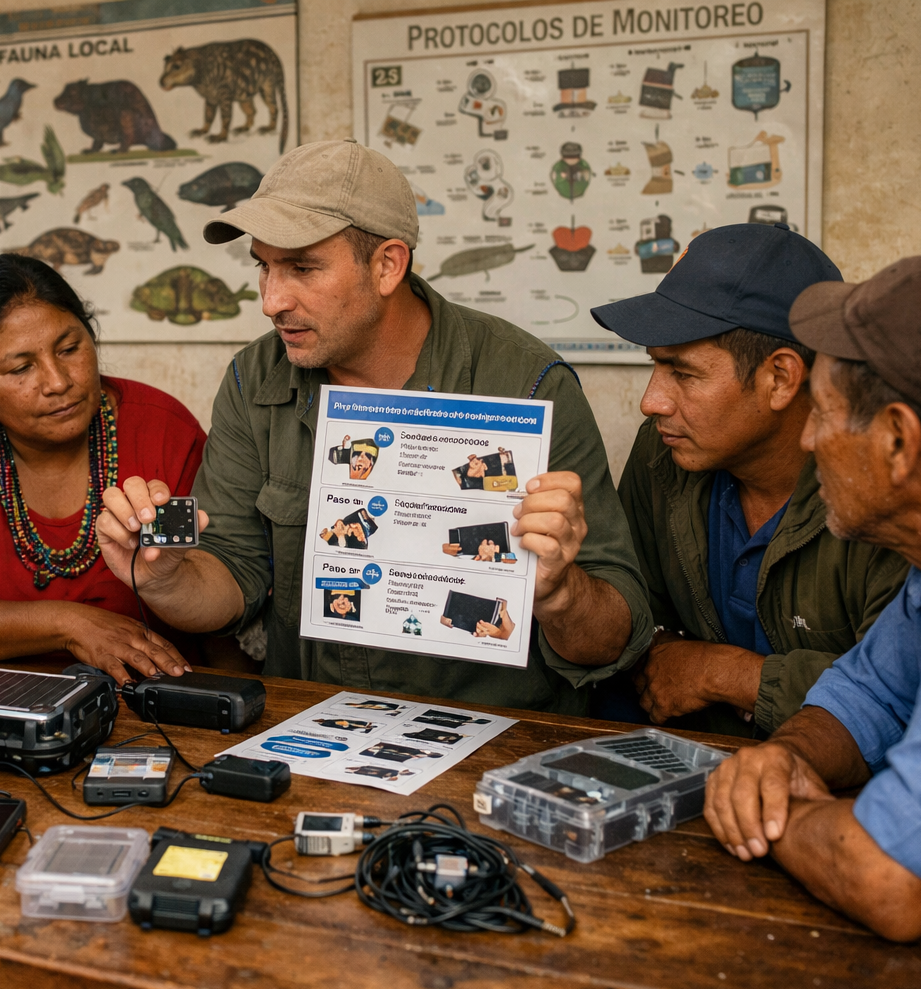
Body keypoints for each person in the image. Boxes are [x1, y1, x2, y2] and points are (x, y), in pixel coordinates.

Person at [97, 139, 652, 711]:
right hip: (313, 727)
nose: (271, 300)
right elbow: (230, 580)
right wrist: (165, 580)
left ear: (387, 265)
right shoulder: (252, 378)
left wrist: (560, 593)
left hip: (496, 739)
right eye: (264, 266)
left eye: (302, 268)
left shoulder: (527, 384)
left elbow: (613, 638)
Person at [702, 256, 921, 989]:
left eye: (821, 414)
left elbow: (894, 881)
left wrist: (771, 811)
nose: (809, 441)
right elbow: (871, 692)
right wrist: (781, 758)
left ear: (897, 440)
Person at [590, 224, 909, 735]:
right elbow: (630, 609)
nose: (652, 403)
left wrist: (730, 674)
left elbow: (904, 693)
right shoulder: (668, 451)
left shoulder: (882, 492)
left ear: (780, 378)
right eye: (655, 368)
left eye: (684, 373)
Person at [0, 255, 206, 684]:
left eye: (70, 349)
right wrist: (73, 625)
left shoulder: (163, 429)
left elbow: (214, 591)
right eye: (21, 368)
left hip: (153, 693)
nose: (57, 381)